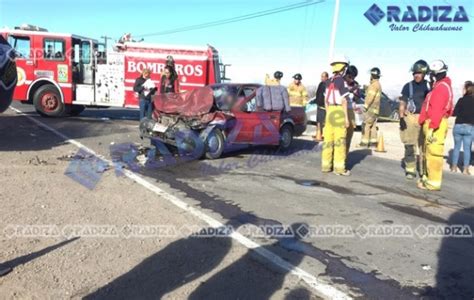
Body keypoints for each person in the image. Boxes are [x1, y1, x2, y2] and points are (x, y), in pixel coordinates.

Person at [417, 60, 454, 191]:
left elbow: (436, 110)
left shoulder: (441, 88)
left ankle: (433, 182)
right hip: (433, 123)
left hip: (436, 125)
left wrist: (432, 127)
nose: (430, 78)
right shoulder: (439, 87)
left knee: (434, 153)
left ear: (435, 74)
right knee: (428, 152)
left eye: (431, 75)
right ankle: (428, 177)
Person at [399, 60, 431, 180]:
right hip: (411, 118)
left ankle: (424, 171)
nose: (416, 75)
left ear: (424, 74)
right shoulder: (408, 86)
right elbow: (403, 102)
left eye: (419, 73)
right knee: (409, 145)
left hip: (425, 119)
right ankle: (410, 170)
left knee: (424, 147)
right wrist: (401, 117)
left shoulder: (429, 86)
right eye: (414, 73)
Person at [321, 54, 351, 176]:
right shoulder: (342, 82)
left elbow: (325, 100)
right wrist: (346, 119)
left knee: (328, 139)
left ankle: (326, 166)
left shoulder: (328, 82)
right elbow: (344, 101)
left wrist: (328, 112)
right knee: (339, 140)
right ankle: (339, 169)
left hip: (330, 111)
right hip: (339, 111)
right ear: (342, 68)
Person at [450, 81, 474, 175]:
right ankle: (465, 169)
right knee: (467, 149)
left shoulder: (460, 100)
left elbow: (454, 113)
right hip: (469, 127)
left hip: (458, 126)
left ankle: (454, 167)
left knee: (456, 147)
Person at [360, 67, 382, 147]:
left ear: (372, 75)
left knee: (366, 125)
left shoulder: (373, 85)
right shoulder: (378, 85)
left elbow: (370, 97)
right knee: (373, 126)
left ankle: (364, 142)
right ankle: (373, 142)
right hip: (375, 110)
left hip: (370, 110)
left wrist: (365, 106)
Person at [343, 65, 360, 154]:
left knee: (348, 137)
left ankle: (345, 157)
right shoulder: (340, 83)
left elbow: (356, 99)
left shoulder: (355, 85)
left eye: (354, 78)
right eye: (350, 77)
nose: (352, 80)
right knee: (341, 137)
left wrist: (355, 105)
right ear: (346, 74)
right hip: (340, 112)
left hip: (350, 112)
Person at [314, 72, 329, 141]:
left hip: (324, 106)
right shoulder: (321, 84)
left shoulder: (327, 85)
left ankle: (322, 136)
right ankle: (318, 135)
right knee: (318, 121)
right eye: (321, 76)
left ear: (327, 77)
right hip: (319, 105)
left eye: (323, 76)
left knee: (323, 122)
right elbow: (318, 94)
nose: (322, 78)